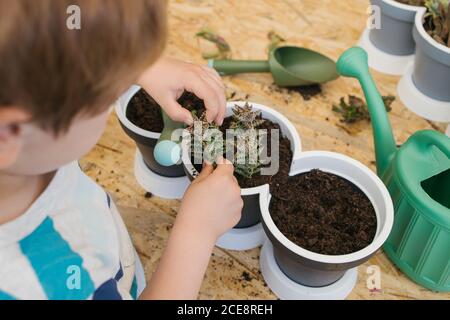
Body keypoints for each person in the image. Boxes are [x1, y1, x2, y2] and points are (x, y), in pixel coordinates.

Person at [0, 0, 243, 300]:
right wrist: (196, 234)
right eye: (104, 93)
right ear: (10, 131)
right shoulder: (46, 284)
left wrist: (136, 65)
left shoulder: (31, 145)